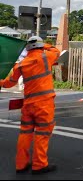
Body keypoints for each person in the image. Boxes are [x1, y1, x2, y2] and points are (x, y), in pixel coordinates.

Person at [0, 36, 60, 174]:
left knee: (25, 134)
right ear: (40, 45)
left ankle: (21, 164)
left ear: (27, 48)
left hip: (28, 105)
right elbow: (55, 50)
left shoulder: (21, 64)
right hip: (44, 104)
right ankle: (39, 165)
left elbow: (9, 83)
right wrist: (43, 44)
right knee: (42, 134)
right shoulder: (46, 57)